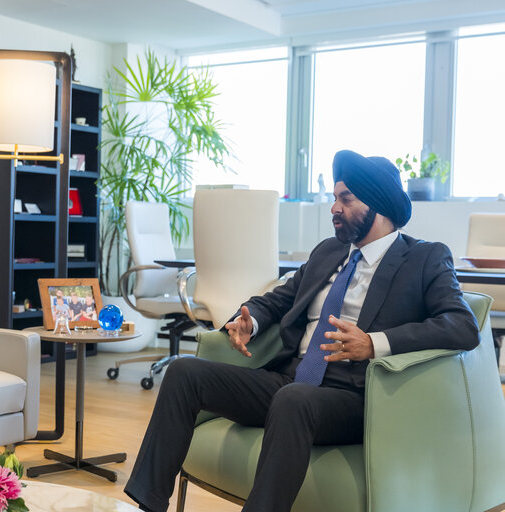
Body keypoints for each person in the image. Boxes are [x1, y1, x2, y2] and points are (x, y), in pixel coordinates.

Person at [124, 149, 480, 512]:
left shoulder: (424, 258)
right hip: (290, 382)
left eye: (346, 199)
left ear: (378, 206)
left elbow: (462, 326)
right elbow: (280, 299)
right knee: (185, 372)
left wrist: (373, 343)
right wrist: (251, 319)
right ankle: (148, 504)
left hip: (356, 396)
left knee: (294, 400)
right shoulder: (329, 252)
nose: (334, 208)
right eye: (334, 198)